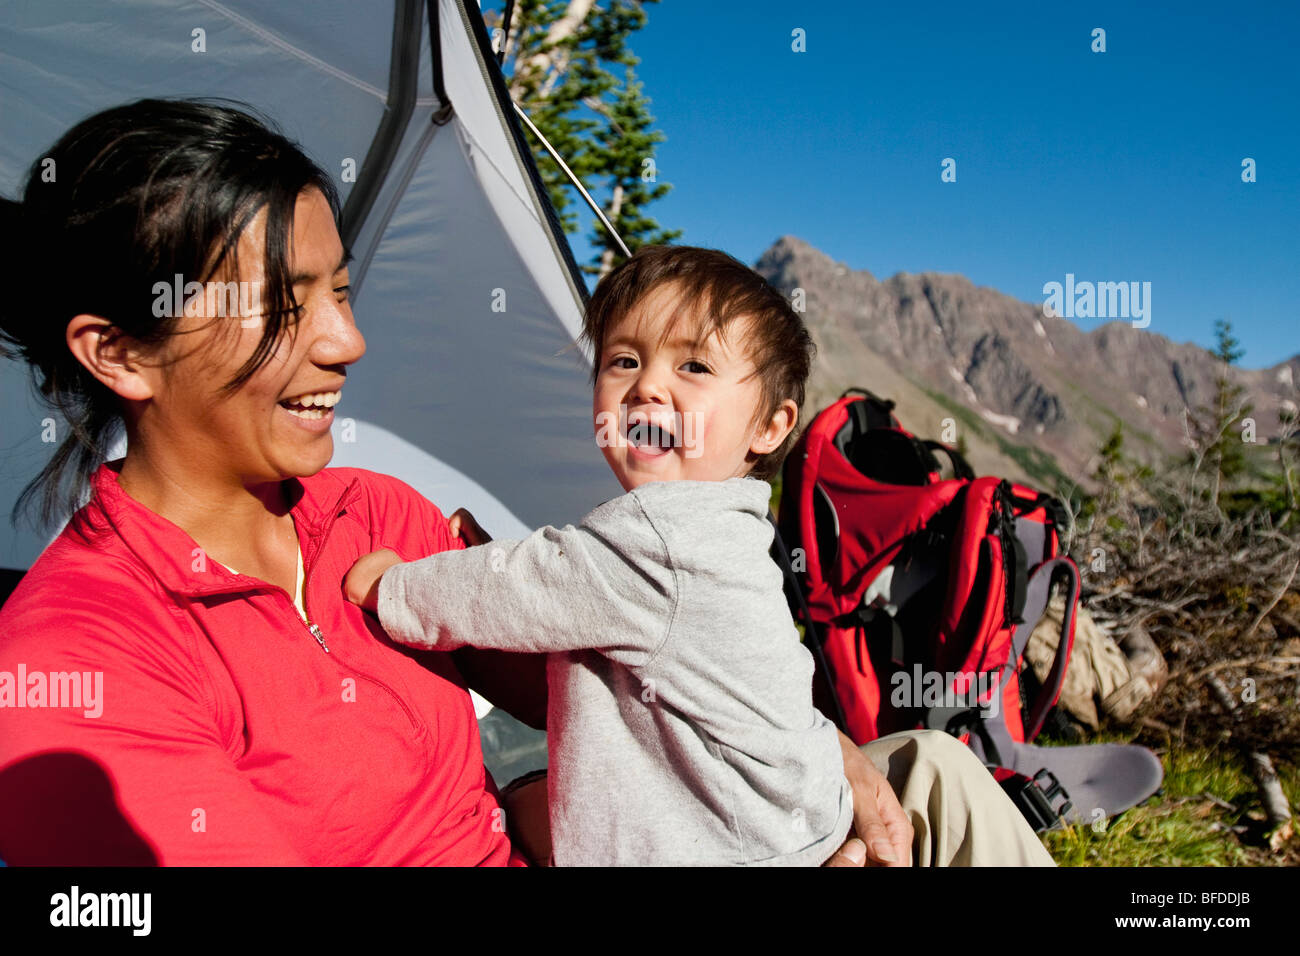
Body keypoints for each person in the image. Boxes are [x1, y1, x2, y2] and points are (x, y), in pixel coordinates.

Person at [0, 97, 1052, 867]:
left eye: (343, 292)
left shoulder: (374, 515)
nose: (347, 341)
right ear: (119, 353)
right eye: (285, 307)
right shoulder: (80, 665)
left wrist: (832, 772)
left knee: (929, 770)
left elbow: (627, 659)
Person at [345, 246, 854, 865]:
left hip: (734, 847)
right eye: (623, 360)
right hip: (791, 821)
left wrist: (396, 588)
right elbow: (579, 590)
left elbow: (532, 588)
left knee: (523, 811)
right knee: (532, 805)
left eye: (693, 365)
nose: (648, 385)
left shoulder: (666, 538)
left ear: (770, 427)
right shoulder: (729, 526)